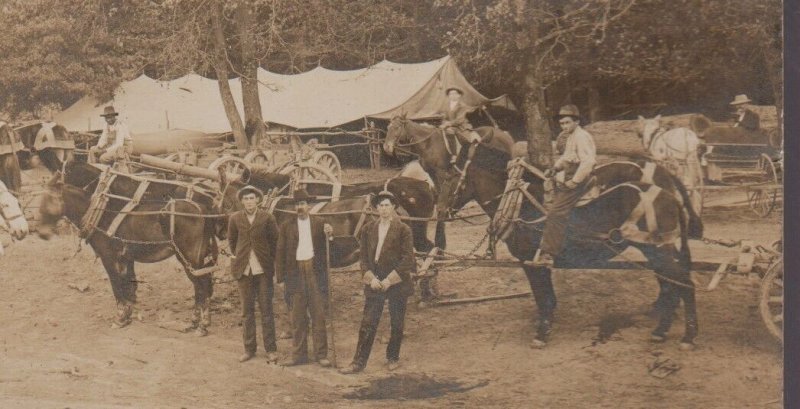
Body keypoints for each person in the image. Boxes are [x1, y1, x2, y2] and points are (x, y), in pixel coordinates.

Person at [339, 191, 416, 374]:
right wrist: (371, 278)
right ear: (376, 208)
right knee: (368, 322)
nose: (384, 209)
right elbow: (364, 258)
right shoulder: (368, 229)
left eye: (387, 205)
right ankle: (358, 362)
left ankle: (392, 357)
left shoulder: (403, 229)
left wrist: (390, 280)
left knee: (397, 323)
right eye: (380, 205)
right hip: (375, 282)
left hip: (396, 283)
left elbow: (408, 259)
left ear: (393, 207)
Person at [532, 105, 597, 268]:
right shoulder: (571, 136)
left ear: (576, 121)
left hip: (580, 178)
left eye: (567, 122)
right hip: (570, 174)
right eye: (562, 123)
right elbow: (567, 157)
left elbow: (588, 162)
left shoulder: (581, 136)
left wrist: (574, 181)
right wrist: (555, 168)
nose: (564, 126)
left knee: (555, 213)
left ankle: (548, 254)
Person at [275, 189, 334, 368]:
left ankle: (321, 354)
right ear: (295, 207)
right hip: (295, 273)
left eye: (303, 204)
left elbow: (330, 246)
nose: (300, 207)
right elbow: (280, 252)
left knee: (318, 315)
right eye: (298, 204)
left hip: (315, 272)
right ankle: (299, 355)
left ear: (309, 206)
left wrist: (330, 234)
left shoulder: (320, 223)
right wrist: (281, 279)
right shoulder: (286, 225)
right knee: (297, 316)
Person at [228, 185, 280, 363]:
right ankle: (249, 349)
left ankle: (271, 349)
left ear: (257, 200)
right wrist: (242, 257)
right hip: (244, 270)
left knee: (266, 309)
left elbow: (275, 242)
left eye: (252, 198)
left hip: (262, 270)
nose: (249, 202)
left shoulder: (267, 218)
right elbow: (232, 242)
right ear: (242, 201)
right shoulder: (235, 218)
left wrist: (267, 260)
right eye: (246, 199)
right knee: (246, 311)